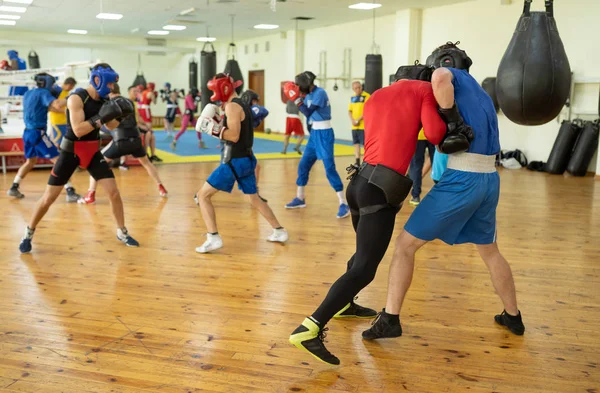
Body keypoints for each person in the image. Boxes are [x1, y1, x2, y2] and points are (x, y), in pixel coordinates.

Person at [362, 42, 525, 343]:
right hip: (489, 178)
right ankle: (513, 316)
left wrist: (450, 117)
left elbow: (438, 80)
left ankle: (390, 319)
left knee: (405, 246)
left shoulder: (447, 73)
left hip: (462, 179)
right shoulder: (481, 92)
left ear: (444, 62)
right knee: (490, 251)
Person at [289, 63, 448, 365]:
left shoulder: (375, 95)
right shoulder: (423, 89)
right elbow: (437, 135)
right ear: (423, 79)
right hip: (381, 190)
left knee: (362, 252)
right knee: (365, 268)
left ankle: (346, 304)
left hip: (358, 184)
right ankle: (310, 328)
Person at [18, 63, 139, 253]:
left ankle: (122, 231)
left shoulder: (105, 100)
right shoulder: (76, 98)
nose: (111, 89)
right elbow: (78, 129)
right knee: (49, 197)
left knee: (113, 193)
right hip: (71, 153)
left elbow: (112, 126)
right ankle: (28, 232)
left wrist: (121, 115)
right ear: (98, 80)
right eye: (109, 84)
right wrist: (101, 118)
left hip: (92, 152)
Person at [194, 73, 288, 253]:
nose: (213, 94)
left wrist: (212, 129)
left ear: (223, 88)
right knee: (254, 197)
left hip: (233, 162)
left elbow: (234, 136)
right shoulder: (241, 103)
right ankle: (279, 231)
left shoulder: (232, 107)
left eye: (214, 90)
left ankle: (213, 237)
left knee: (202, 196)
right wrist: (220, 122)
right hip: (247, 159)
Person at [78, 84, 168, 204]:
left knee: (94, 164)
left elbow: (107, 125)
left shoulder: (109, 104)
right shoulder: (130, 102)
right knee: (146, 163)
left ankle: (90, 195)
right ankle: (161, 187)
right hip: (136, 140)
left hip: (120, 141)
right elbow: (134, 121)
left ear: (108, 90)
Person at [283, 72, 350, 219]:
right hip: (314, 134)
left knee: (329, 169)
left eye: (299, 86)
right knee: (303, 165)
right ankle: (300, 198)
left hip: (325, 134)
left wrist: (296, 99)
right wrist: (298, 98)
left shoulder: (320, 93)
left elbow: (307, 112)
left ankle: (343, 203)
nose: (299, 89)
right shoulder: (308, 95)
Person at [7, 73, 80, 202]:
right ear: (46, 83)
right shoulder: (42, 93)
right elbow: (57, 105)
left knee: (30, 162)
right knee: (59, 161)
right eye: (52, 84)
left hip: (27, 133)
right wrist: (72, 97)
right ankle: (70, 191)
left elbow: (51, 109)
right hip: (38, 133)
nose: (53, 87)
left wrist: (69, 111)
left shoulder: (29, 94)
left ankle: (14, 187)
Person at [240, 89, 269, 202]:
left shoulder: (245, 112)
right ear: (250, 101)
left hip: (244, 148)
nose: (257, 104)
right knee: (227, 175)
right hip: (237, 149)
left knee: (256, 167)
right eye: (255, 101)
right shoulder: (246, 111)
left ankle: (255, 194)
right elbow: (264, 111)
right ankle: (202, 194)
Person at [408, 129, 436, 205]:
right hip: (433, 133)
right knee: (436, 164)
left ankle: (415, 196)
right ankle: (440, 194)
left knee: (416, 166)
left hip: (418, 134)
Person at [49, 77, 77, 146]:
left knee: (65, 142)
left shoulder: (67, 93)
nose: (72, 88)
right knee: (58, 142)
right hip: (57, 121)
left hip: (65, 121)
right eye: (72, 86)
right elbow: (50, 107)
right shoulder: (57, 91)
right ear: (69, 85)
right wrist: (64, 111)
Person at [137, 83, 162, 162]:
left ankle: (152, 154)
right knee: (149, 131)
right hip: (146, 111)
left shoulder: (143, 93)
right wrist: (155, 96)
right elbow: (154, 102)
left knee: (151, 134)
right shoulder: (150, 93)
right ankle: (146, 154)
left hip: (141, 111)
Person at [347, 81, 370, 165]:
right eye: (356, 88)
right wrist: (352, 120)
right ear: (353, 89)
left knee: (365, 145)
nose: (358, 89)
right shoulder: (352, 98)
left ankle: (366, 161)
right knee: (356, 144)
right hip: (354, 127)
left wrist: (358, 120)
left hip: (363, 126)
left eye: (359, 87)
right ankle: (357, 162)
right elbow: (349, 111)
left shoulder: (367, 96)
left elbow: (367, 111)